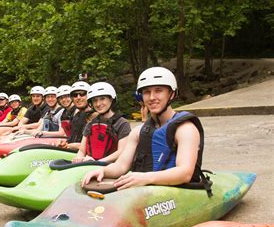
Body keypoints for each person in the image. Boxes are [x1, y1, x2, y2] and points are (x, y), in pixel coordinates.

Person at [82, 67, 210, 194]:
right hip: (147, 192)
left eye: (158, 91)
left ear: (172, 94)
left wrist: (144, 178)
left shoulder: (185, 129)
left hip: (179, 191)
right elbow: (121, 166)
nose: (152, 97)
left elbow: (185, 173)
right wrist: (103, 171)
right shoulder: (138, 132)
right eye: (147, 92)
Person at [72, 82, 131, 163]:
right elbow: (82, 150)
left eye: (102, 98)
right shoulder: (90, 124)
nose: (98, 104)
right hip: (91, 163)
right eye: (95, 100)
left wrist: (98, 162)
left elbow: (121, 151)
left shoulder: (122, 123)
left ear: (111, 99)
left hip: (112, 167)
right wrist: (79, 157)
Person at [55, 81, 96, 151]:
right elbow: (73, 138)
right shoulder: (77, 116)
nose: (78, 97)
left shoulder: (96, 117)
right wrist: (65, 143)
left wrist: (73, 146)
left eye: (82, 94)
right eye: (75, 95)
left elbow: (97, 147)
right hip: (73, 152)